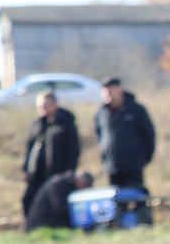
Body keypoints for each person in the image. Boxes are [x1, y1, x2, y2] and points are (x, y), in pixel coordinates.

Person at [22, 90, 80, 218]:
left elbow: (74, 150)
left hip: (58, 173)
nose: (42, 109)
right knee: (28, 200)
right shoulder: (37, 124)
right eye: (40, 106)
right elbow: (30, 148)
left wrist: (70, 171)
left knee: (56, 203)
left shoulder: (66, 123)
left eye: (45, 105)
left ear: (54, 105)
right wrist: (26, 169)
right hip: (37, 174)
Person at [94, 76, 155, 190]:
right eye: (105, 92)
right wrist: (105, 157)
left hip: (133, 165)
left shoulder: (136, 110)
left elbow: (149, 135)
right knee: (117, 202)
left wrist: (145, 158)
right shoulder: (101, 113)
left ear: (119, 90)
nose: (108, 94)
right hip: (112, 165)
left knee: (137, 197)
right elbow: (100, 136)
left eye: (111, 90)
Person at [23, 169, 93, 231]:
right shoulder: (58, 184)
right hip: (40, 223)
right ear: (81, 181)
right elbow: (60, 208)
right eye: (84, 187)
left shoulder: (66, 184)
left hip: (48, 221)